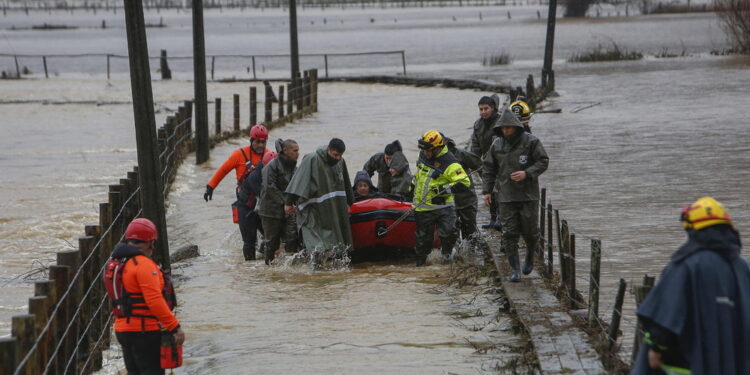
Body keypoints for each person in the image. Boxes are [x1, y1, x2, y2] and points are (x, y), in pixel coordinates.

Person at [631, 197, 750, 375]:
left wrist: (656, 348)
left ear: (692, 229)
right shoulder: (743, 267)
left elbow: (665, 317)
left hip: (687, 364)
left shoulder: (686, 265)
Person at [482, 109, 549, 282]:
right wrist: (487, 191)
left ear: (516, 127)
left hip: (528, 195)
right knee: (509, 233)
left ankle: (529, 257)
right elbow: (489, 168)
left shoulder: (531, 142)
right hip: (506, 196)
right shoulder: (496, 145)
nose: (506, 131)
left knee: (531, 232)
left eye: (509, 128)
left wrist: (527, 173)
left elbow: (543, 161)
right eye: (503, 128)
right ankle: (515, 269)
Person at [113, 218, 185, 375]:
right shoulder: (144, 265)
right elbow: (154, 300)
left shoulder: (119, 263)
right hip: (144, 332)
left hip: (122, 331)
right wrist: (175, 327)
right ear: (150, 242)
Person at [203, 124, 270, 260]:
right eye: (257, 142)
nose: (261, 145)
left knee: (271, 238)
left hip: (264, 204)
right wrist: (211, 187)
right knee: (249, 241)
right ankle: (250, 272)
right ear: (251, 140)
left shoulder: (269, 156)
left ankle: (267, 268)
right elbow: (223, 170)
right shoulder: (239, 154)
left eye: (263, 142)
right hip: (245, 205)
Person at [285, 138, 354, 253]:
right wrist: (288, 203)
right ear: (328, 150)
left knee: (338, 247)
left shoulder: (340, 162)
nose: (337, 158)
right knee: (316, 247)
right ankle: (315, 268)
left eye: (340, 156)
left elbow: (346, 184)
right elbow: (297, 182)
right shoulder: (312, 159)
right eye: (335, 155)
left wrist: (351, 202)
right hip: (313, 211)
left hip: (332, 210)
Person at [412, 130, 471, 267]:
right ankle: (420, 267)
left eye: (428, 150)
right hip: (422, 207)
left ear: (437, 148)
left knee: (449, 234)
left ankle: (447, 262)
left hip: (444, 207)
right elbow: (420, 175)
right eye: (424, 150)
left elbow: (464, 182)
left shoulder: (450, 163)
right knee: (422, 241)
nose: (425, 153)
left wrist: (443, 189)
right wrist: (412, 186)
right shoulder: (423, 155)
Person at [258, 139, 300, 265]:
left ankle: (291, 267)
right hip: (270, 211)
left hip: (288, 210)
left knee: (293, 237)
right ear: (285, 151)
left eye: (298, 150)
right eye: (295, 150)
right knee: (271, 243)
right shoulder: (271, 166)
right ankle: (269, 269)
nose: (298, 153)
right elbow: (269, 187)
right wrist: (286, 203)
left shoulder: (294, 168)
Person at [469, 94, 503, 230]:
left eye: (486, 109)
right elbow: (475, 145)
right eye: (481, 109)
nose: (483, 112)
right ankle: (493, 218)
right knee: (489, 190)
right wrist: (473, 162)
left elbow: (502, 144)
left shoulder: (500, 122)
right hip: (485, 164)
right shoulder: (478, 124)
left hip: (501, 162)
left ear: (493, 108)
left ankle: (501, 218)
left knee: (499, 190)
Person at [444, 136, 483, 241]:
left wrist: (489, 186)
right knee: (452, 234)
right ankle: (459, 255)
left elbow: (480, 166)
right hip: (449, 203)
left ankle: (480, 253)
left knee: (471, 233)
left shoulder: (461, 154)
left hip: (467, 200)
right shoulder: (435, 159)